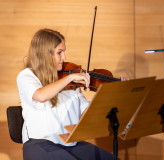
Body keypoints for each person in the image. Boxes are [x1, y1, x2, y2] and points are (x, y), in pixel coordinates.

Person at [17, 28, 119, 160]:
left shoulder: (71, 80)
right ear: (45, 54)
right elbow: (41, 96)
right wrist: (69, 78)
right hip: (39, 144)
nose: (64, 57)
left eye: (64, 52)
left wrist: (113, 93)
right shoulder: (27, 76)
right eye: (59, 52)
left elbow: (87, 112)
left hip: (70, 143)